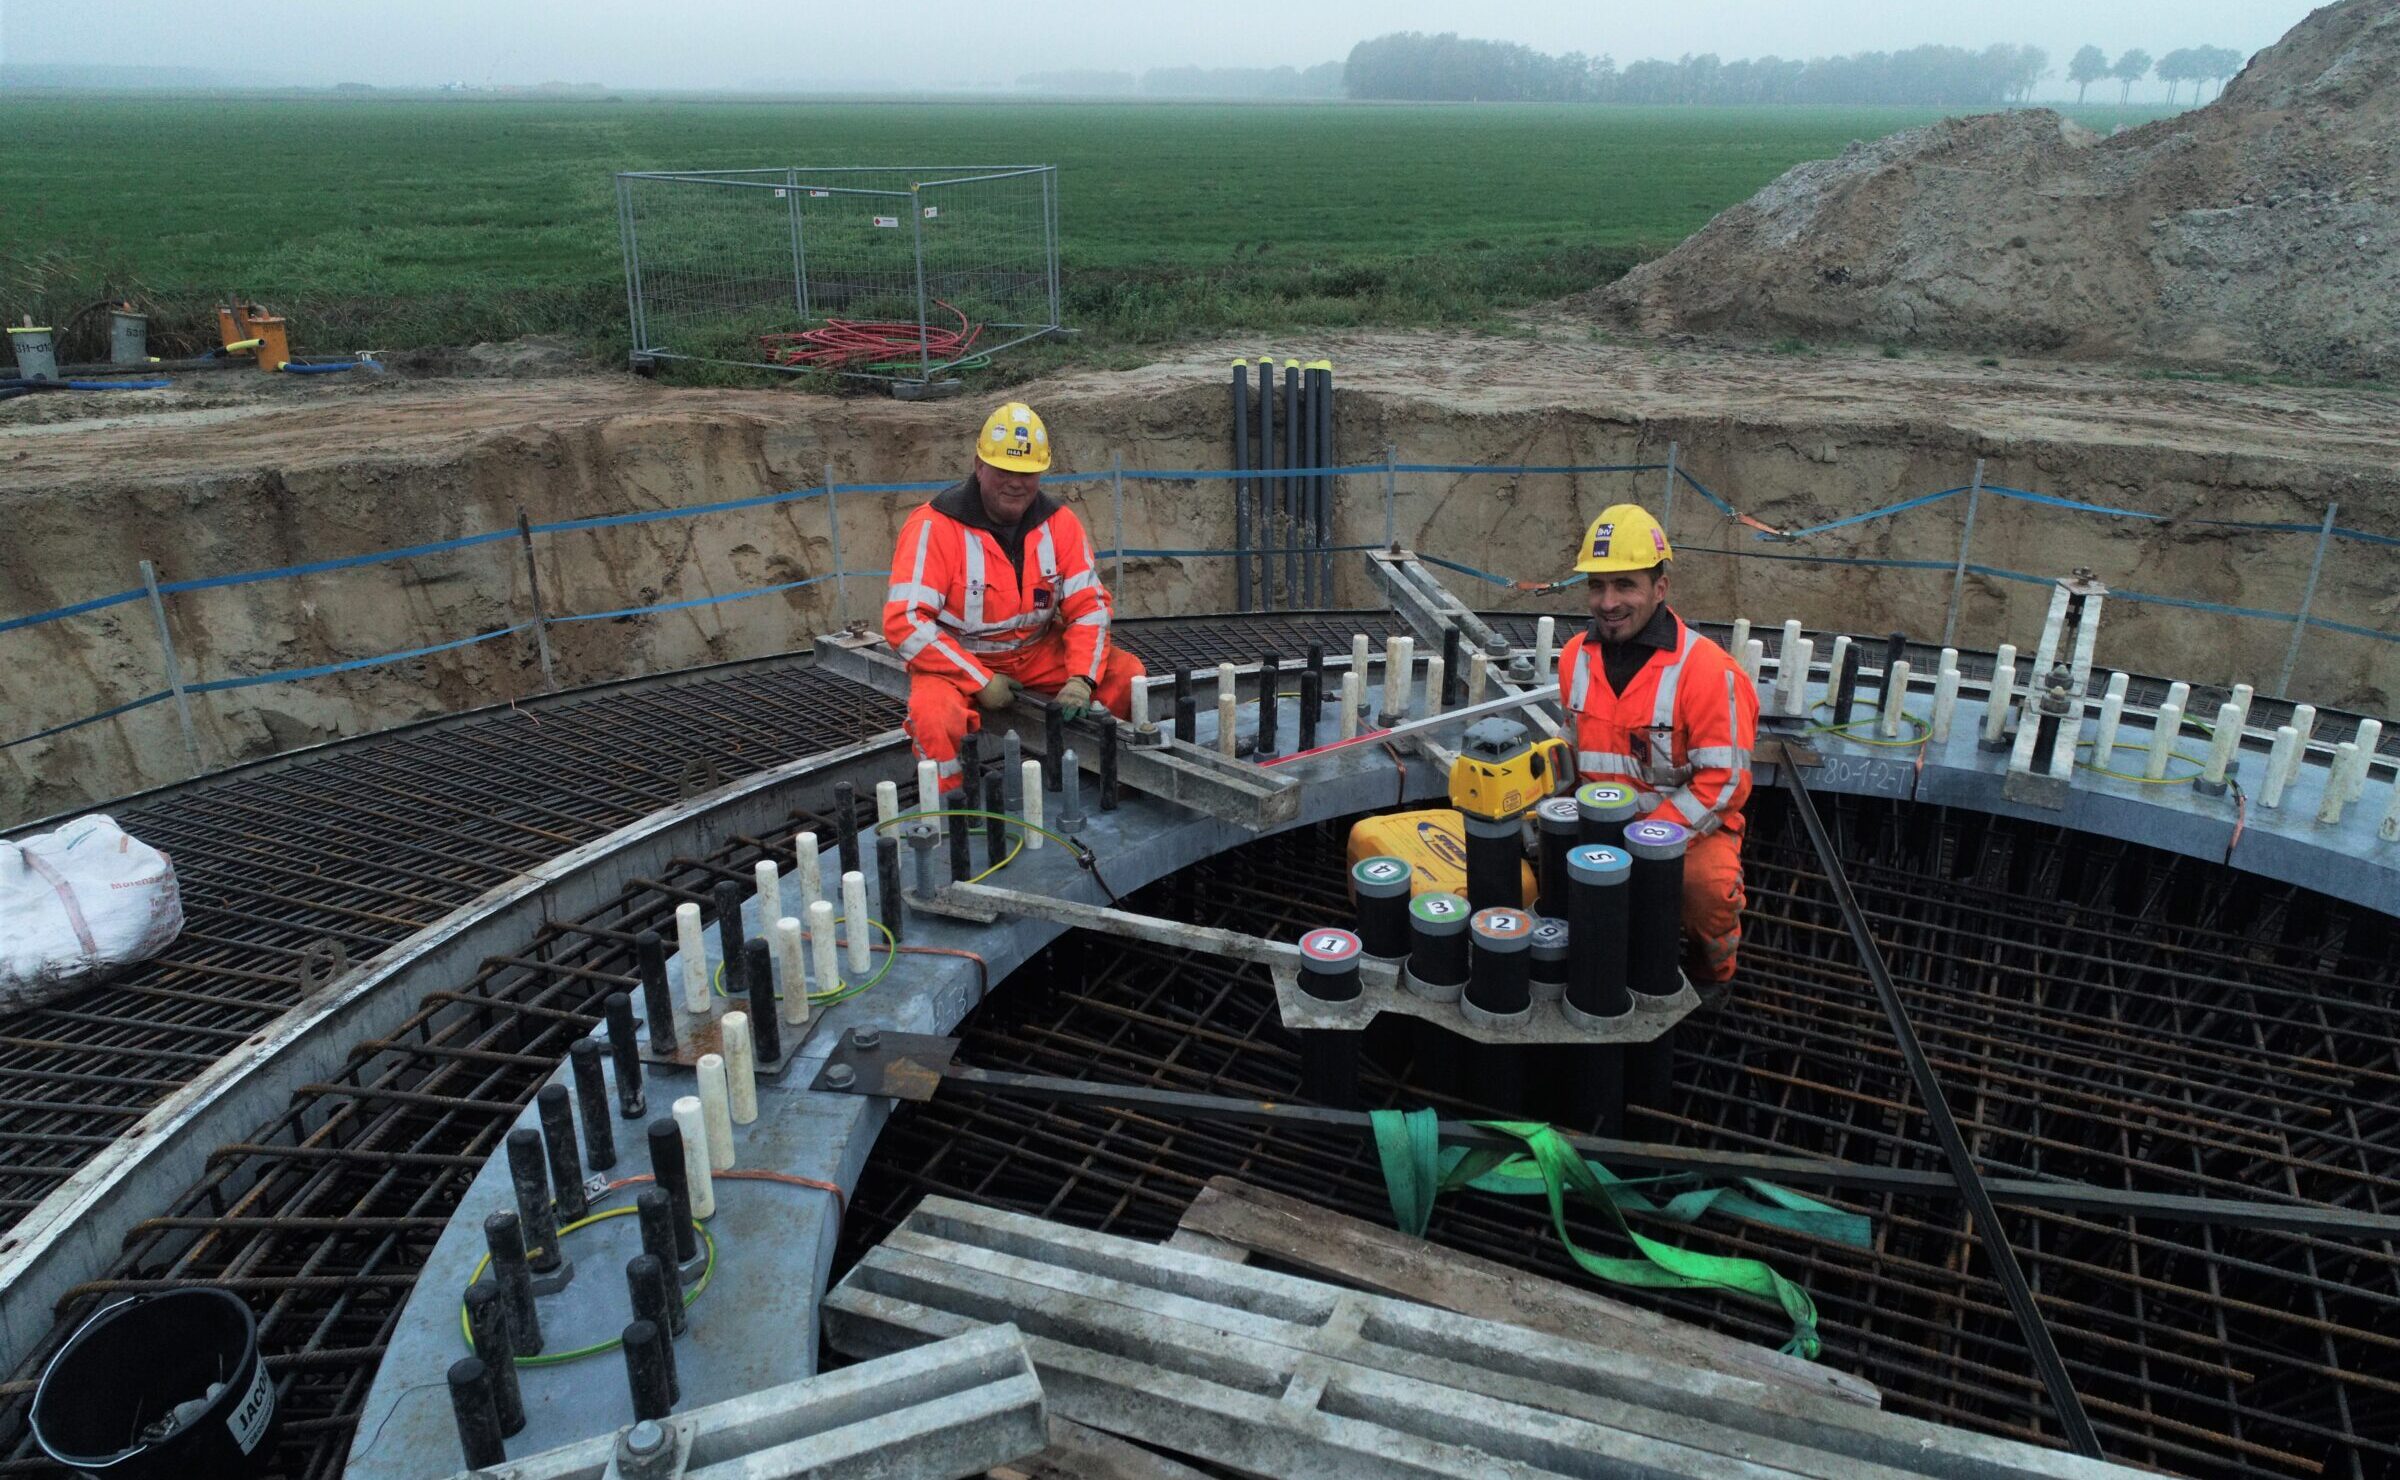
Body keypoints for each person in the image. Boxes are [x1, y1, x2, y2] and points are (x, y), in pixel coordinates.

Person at [883, 401, 1145, 795]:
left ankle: (1089, 778)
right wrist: (979, 679)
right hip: (959, 660)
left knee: (1125, 675)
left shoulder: (1059, 525)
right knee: (934, 714)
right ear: (979, 466)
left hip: (1036, 653)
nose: (1016, 482)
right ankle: (957, 803)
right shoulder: (933, 528)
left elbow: (1089, 607)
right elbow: (905, 621)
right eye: (1004, 469)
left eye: (1027, 472)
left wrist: (1081, 678)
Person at [1554, 504, 1757, 984]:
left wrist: (1648, 842)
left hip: (1686, 831)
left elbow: (1725, 781)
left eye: (1626, 585)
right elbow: (1572, 747)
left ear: (1659, 589)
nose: (1608, 602)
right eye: (1598, 585)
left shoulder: (1708, 673)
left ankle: (1713, 975)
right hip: (1599, 823)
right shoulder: (1573, 659)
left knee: (1705, 889)